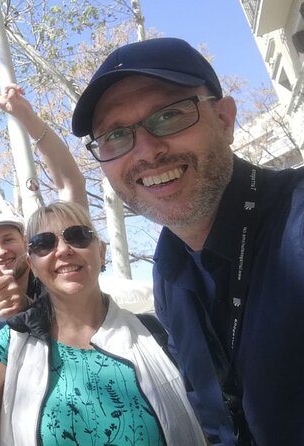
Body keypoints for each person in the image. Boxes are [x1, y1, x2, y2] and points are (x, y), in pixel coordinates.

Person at [70, 37, 304, 445]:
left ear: (225, 120)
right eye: (116, 135)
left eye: (169, 115)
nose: (146, 151)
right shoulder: (169, 271)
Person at [0, 201, 205, 446]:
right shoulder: (12, 342)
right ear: (31, 263)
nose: (63, 250)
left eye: (78, 236)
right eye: (43, 243)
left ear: (101, 250)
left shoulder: (156, 334)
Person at [0, 82, 88, 319]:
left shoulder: (61, 282)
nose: (1, 251)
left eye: (7, 239)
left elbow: (71, 185)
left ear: (26, 242)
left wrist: (28, 119)